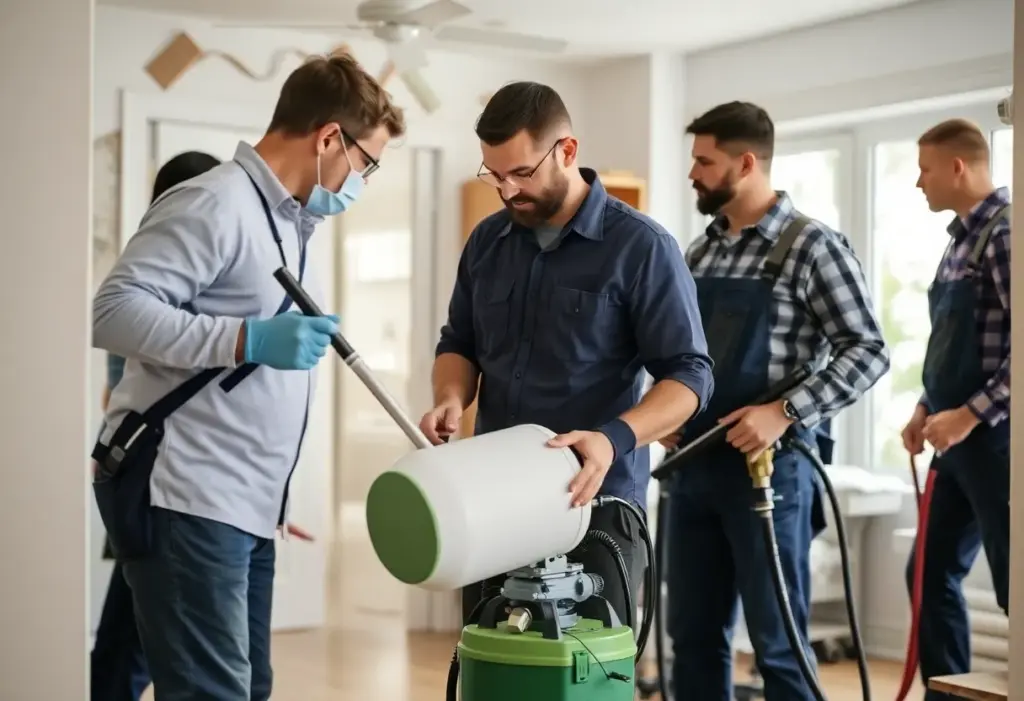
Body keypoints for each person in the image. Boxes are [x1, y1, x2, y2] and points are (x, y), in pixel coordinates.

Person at [91, 54, 405, 701]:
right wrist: (246, 338)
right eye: (366, 163)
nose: (361, 181)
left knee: (246, 686)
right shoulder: (216, 201)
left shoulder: (293, 224)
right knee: (214, 691)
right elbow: (114, 312)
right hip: (189, 494)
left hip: (245, 503)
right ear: (327, 139)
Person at [418, 81, 715, 630]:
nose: (506, 190)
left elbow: (690, 376)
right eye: (494, 173)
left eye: (521, 173)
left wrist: (613, 438)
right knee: (492, 671)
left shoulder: (642, 247)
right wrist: (450, 397)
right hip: (493, 502)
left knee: (585, 680)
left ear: (567, 151)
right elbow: (459, 342)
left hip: (593, 506)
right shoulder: (487, 242)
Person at [663, 101, 889, 701]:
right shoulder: (701, 252)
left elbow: (867, 350)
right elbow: (684, 356)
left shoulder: (812, 247)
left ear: (745, 162)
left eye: (704, 162)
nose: (693, 173)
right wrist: (670, 411)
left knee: (777, 643)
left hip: (767, 476)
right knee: (693, 639)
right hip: (694, 470)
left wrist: (783, 411)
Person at [90, 150, 219, 701]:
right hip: (164, 483)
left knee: (131, 632)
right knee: (138, 637)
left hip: (152, 482)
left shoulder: (155, 280)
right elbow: (124, 391)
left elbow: (111, 395)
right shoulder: (153, 290)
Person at [900, 118, 1010, 699]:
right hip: (953, 443)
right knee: (926, 575)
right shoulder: (959, 238)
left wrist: (969, 414)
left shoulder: (1006, 231)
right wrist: (926, 407)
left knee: (1016, 586)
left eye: (924, 169)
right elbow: (953, 340)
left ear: (957, 167)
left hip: (995, 442)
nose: (919, 182)